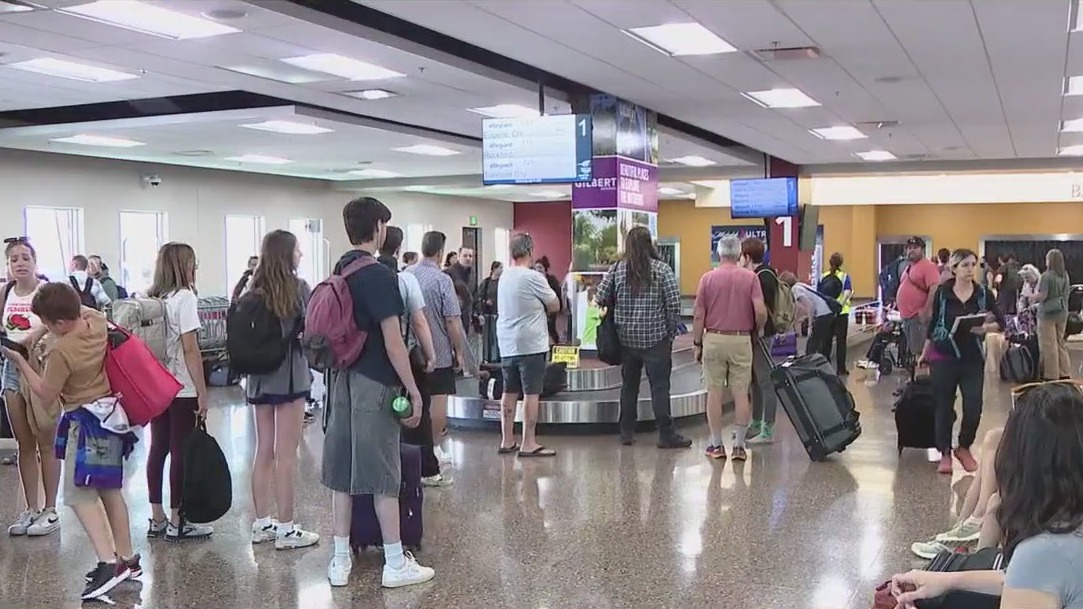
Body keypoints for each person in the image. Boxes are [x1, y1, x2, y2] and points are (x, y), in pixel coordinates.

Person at [889, 381, 1083, 609]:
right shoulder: (1066, 536)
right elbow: (1024, 578)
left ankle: (971, 523)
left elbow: (1035, 572)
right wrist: (948, 581)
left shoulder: (1042, 551)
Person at [321, 196, 433, 588]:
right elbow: (393, 342)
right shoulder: (381, 276)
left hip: (340, 381)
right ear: (379, 228)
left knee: (343, 472)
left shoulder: (341, 269)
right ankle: (394, 562)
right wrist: (413, 389)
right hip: (375, 383)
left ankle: (340, 562)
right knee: (384, 473)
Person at [2, 282, 139, 601]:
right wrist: (34, 335)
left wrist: (21, 361)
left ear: (60, 323)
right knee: (110, 491)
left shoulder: (62, 352)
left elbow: (45, 394)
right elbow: (79, 311)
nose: (45, 329)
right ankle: (127, 559)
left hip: (85, 424)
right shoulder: (95, 322)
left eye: (47, 324)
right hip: (110, 417)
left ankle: (108, 565)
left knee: (78, 497)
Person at [244, 230, 319, 550]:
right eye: (298, 250)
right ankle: (287, 528)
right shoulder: (298, 289)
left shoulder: (251, 289)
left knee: (263, 450)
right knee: (286, 454)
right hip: (289, 377)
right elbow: (311, 330)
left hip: (258, 377)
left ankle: (261, 523)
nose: (300, 254)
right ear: (288, 254)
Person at [596, 226, 690, 449]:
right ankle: (666, 434)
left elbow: (600, 296)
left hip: (626, 340)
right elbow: (674, 305)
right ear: (650, 244)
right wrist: (669, 333)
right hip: (656, 340)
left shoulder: (617, 269)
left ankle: (626, 432)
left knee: (629, 386)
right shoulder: (662, 270)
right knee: (660, 387)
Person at [144, 243, 214, 541]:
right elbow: (190, 348)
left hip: (156, 385)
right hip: (181, 387)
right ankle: (178, 520)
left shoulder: (153, 298)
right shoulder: (185, 298)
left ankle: (157, 517)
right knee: (180, 451)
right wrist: (202, 391)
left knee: (157, 448)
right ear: (185, 266)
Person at [919, 248, 1005, 475]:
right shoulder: (942, 293)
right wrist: (925, 352)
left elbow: (1001, 322)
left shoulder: (983, 293)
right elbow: (934, 324)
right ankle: (945, 452)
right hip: (943, 356)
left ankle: (964, 446)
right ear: (954, 268)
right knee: (943, 406)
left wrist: (984, 328)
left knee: (974, 406)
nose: (970, 270)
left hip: (972, 359)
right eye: (965, 265)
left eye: (973, 265)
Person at [2, 238, 60, 537]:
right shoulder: (5, 292)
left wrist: (31, 339)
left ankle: (51, 509)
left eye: (25, 257)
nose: (20, 263)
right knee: (24, 443)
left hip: (40, 368)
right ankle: (31, 508)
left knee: (46, 441)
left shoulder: (46, 292)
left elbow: (57, 324)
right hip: (11, 370)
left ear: (35, 262)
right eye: (14, 259)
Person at [378, 226, 443, 487]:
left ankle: (383, 470)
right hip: (403, 358)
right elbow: (419, 322)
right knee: (417, 411)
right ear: (399, 248)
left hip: (371, 363)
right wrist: (431, 355)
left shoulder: (365, 276)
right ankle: (425, 470)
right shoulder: (405, 280)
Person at [693, 235, 766, 462]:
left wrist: (697, 343)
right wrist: (759, 328)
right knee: (741, 393)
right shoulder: (751, 278)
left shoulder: (707, 278)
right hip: (741, 339)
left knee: (714, 393)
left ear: (719, 253)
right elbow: (760, 310)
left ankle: (716, 445)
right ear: (739, 254)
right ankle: (739, 446)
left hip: (714, 339)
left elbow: (698, 314)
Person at [406, 232, 471, 467]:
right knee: (438, 401)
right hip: (439, 351)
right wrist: (459, 352)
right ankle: (433, 449)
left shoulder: (406, 275)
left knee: (415, 399)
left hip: (411, 352)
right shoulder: (442, 280)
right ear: (441, 252)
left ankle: (412, 448)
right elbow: (452, 320)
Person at [496, 233, 559, 457]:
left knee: (509, 390)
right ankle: (528, 442)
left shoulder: (503, 276)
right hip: (531, 343)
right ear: (530, 251)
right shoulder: (533, 277)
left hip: (507, 342)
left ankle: (506, 440)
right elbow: (554, 305)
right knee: (532, 393)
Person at [739, 238, 780, 444]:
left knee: (765, 380)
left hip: (762, 335)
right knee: (755, 380)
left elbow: (760, 309)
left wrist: (759, 329)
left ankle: (767, 429)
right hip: (759, 334)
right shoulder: (765, 273)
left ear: (747, 257)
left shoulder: (762, 277)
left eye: (741, 255)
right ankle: (756, 423)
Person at [896, 237, 941, 364]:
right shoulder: (908, 267)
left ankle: (923, 376)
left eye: (915, 248)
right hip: (908, 318)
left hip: (919, 317)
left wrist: (927, 310)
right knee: (916, 352)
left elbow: (934, 288)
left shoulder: (928, 266)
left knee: (923, 354)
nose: (911, 250)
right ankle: (918, 375)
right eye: (909, 248)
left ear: (922, 250)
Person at [1033, 248, 1072, 380]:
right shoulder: (1065, 275)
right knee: (1060, 343)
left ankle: (1051, 375)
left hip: (1046, 315)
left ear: (1050, 260)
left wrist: (1031, 296)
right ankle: (1064, 372)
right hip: (1062, 313)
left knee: (1049, 345)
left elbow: (1042, 296)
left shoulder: (1046, 276)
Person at [781, 272, 836, 358]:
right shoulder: (800, 285)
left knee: (811, 347)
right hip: (828, 312)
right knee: (818, 344)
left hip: (822, 314)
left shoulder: (795, 289)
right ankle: (821, 361)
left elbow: (810, 306)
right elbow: (795, 311)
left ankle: (813, 364)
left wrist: (810, 326)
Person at [820, 252, 853, 375]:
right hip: (841, 314)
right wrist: (839, 306)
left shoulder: (823, 276)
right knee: (841, 342)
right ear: (841, 263)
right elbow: (847, 293)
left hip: (826, 313)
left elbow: (819, 295)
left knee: (826, 342)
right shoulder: (844, 277)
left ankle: (825, 368)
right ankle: (841, 368)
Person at [533, 256, 563, 345]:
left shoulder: (551, 280)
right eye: (536, 268)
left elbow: (557, 293)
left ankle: (554, 345)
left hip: (550, 308)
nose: (538, 270)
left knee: (550, 328)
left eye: (540, 267)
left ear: (545, 269)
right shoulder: (532, 280)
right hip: (537, 309)